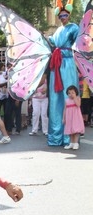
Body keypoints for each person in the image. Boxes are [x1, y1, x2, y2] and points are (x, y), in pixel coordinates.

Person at [47, 3, 79, 146]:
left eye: (65, 15)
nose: (63, 18)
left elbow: (81, 42)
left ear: (69, 15)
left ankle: (70, 137)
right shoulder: (57, 30)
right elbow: (52, 41)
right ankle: (56, 136)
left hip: (67, 63)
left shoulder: (74, 28)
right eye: (60, 16)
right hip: (57, 65)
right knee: (55, 99)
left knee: (69, 96)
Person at [63, 85, 84, 150]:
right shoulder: (66, 100)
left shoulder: (78, 98)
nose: (71, 94)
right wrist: (63, 118)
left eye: (72, 93)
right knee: (70, 130)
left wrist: (75, 98)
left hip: (76, 117)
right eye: (69, 93)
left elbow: (78, 104)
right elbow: (65, 109)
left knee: (76, 130)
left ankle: (76, 143)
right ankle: (71, 143)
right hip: (69, 117)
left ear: (76, 93)